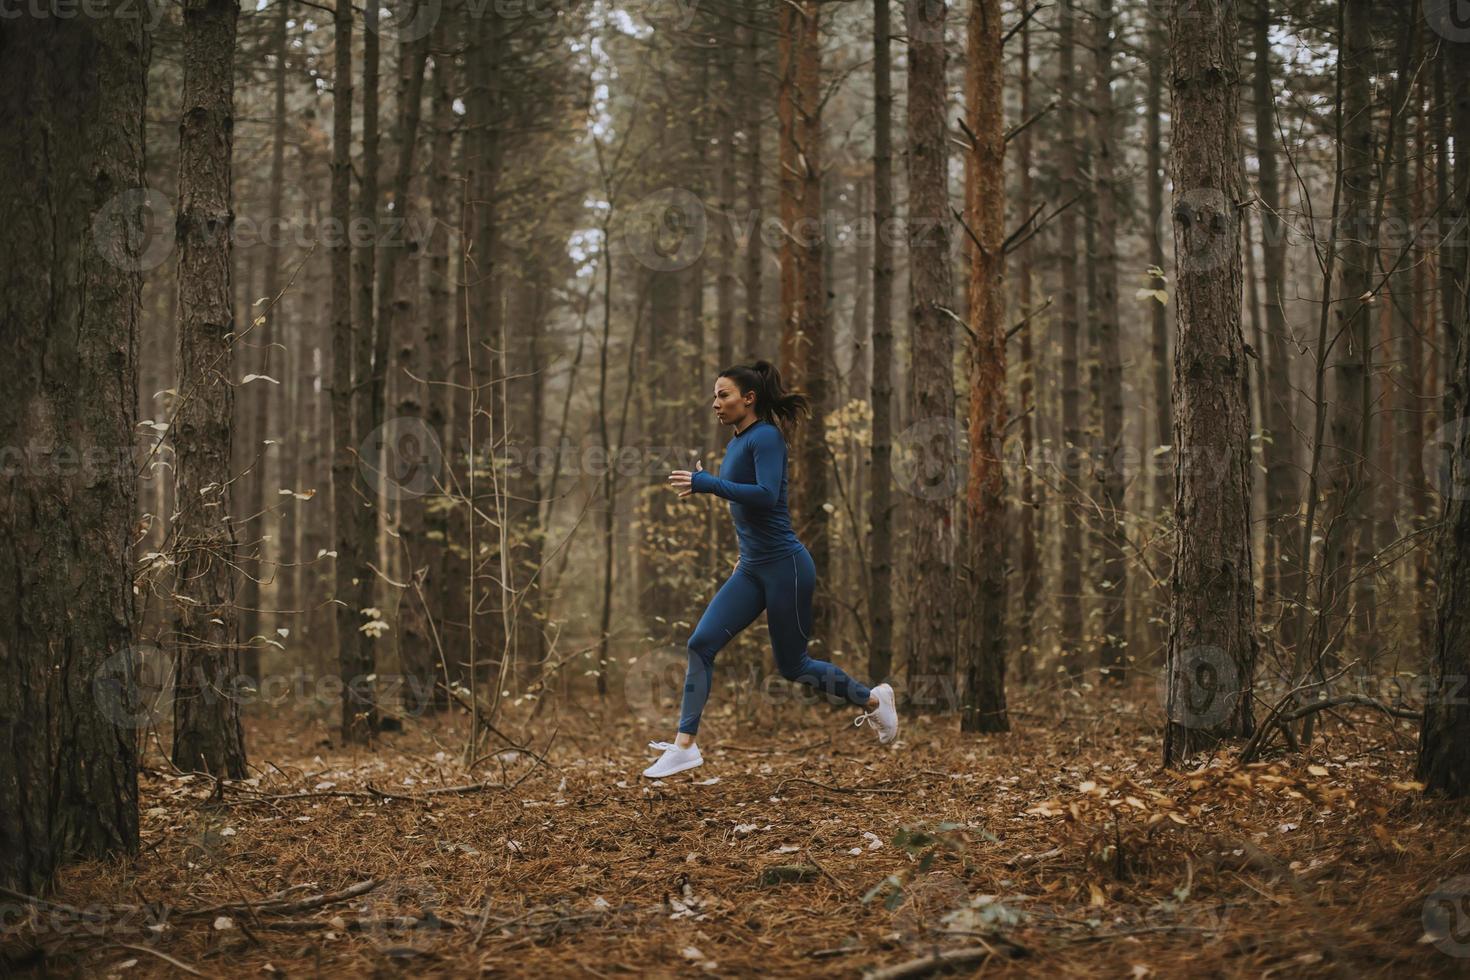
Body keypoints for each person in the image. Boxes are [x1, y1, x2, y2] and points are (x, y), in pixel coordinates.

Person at [644, 360, 897, 779]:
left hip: (786, 568)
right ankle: (685, 746)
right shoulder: (736, 442)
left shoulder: (767, 438)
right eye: (714, 396)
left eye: (723, 395)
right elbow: (744, 504)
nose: (716, 404)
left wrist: (708, 483)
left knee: (793, 665)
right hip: (751, 568)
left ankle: (873, 701)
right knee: (700, 643)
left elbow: (763, 495)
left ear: (749, 398)